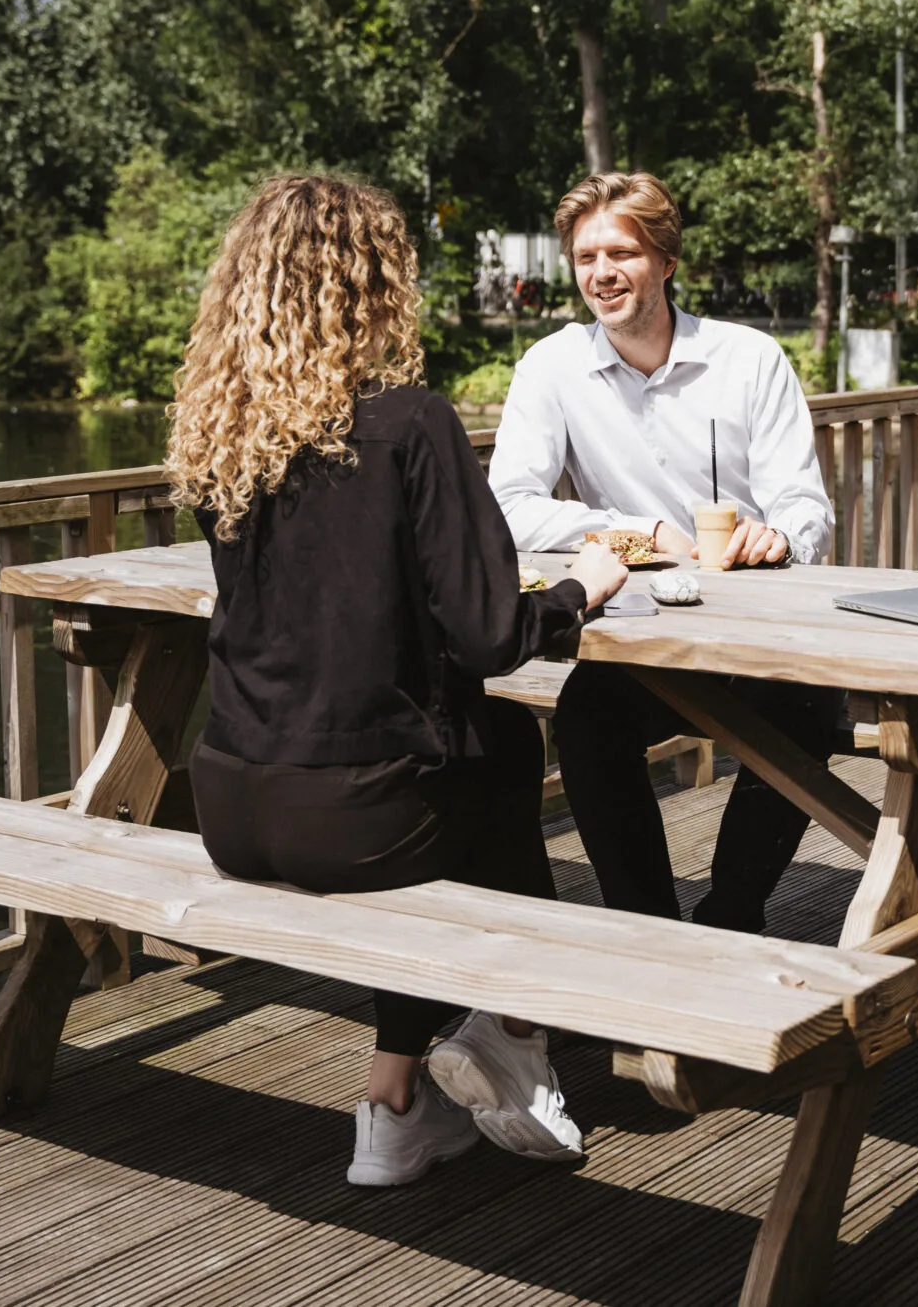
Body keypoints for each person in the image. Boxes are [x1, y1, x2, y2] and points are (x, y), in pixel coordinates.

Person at [164, 175, 633, 1190]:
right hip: (355, 820)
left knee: (471, 766)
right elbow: (492, 636)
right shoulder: (410, 423)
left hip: (231, 802)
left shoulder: (222, 435)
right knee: (498, 754)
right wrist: (580, 588)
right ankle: (508, 1035)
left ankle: (398, 1102)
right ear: (375, 284)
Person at [489, 171, 840, 935]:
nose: (601, 272)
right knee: (585, 718)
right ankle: (646, 930)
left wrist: (778, 534)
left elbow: (806, 508)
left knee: (812, 713)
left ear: (667, 260)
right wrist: (637, 534)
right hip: (645, 634)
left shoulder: (749, 359)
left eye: (621, 251)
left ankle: (730, 914)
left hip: (760, 630)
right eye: (585, 257)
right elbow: (507, 507)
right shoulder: (551, 366)